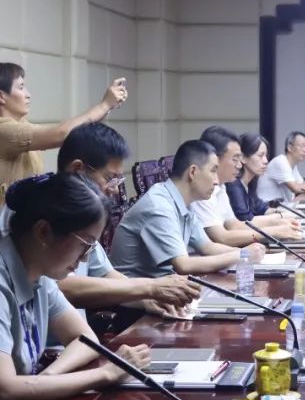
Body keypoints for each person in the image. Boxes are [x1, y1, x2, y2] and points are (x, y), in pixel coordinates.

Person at [0, 173, 150, 400]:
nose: (86, 258)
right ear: (43, 232)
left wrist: (46, 378)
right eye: (85, 244)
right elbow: (5, 391)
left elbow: (85, 338)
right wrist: (106, 374)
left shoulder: (39, 273)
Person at [51, 124, 200, 315]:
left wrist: (148, 299)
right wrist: (149, 288)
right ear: (77, 169)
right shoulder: (49, 215)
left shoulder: (86, 218)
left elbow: (106, 274)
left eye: (118, 181)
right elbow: (61, 287)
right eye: (110, 178)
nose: (115, 189)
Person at [109, 140, 265, 277]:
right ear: (193, 172)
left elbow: (208, 247)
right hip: (133, 296)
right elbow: (183, 265)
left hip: (161, 287)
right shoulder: (159, 205)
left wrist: (254, 253)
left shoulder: (184, 201)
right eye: (213, 171)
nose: (217, 181)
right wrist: (243, 254)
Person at [0, 63, 128, 203]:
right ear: (1, 96)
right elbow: (61, 134)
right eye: (21, 87)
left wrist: (107, 107)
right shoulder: (4, 130)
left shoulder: (21, 125)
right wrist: (105, 105)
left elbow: (73, 132)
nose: (28, 95)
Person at [191, 126, 297, 246]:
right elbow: (221, 237)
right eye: (235, 159)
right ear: (215, 159)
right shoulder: (203, 190)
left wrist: (277, 224)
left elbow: (234, 225)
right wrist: (273, 231)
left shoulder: (221, 187)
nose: (239, 165)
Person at [226, 132, 292, 223]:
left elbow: (261, 208)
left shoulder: (250, 183)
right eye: (260, 156)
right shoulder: (233, 184)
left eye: (266, 156)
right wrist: (281, 216)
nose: (266, 161)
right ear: (243, 158)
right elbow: (245, 219)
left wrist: (280, 212)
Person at [256, 131, 305, 204]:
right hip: (268, 207)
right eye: (302, 146)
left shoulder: (292, 164)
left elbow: (300, 183)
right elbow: (296, 188)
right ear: (289, 147)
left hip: (283, 206)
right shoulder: (280, 162)